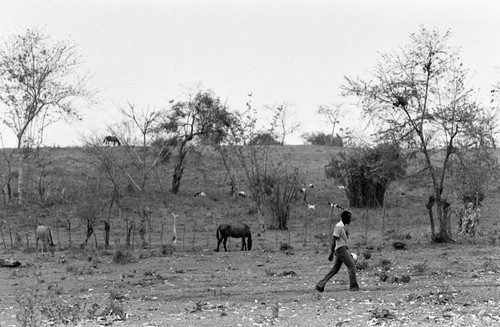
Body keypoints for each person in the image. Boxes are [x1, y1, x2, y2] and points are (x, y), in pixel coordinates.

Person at [315, 210, 359, 292]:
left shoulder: (342, 227)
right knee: (352, 266)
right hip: (341, 249)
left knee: (335, 269)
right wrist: (331, 253)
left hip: (341, 249)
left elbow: (341, 240)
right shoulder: (338, 226)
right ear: (345, 218)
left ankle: (320, 284)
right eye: (349, 218)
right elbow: (333, 240)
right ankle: (353, 287)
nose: (350, 220)